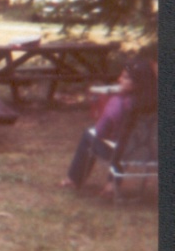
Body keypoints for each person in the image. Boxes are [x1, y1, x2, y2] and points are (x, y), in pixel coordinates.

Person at [60, 58, 157, 194]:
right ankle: (111, 184)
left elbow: (101, 132)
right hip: (151, 155)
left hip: (121, 154)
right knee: (125, 143)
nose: (119, 79)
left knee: (89, 135)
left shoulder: (118, 103)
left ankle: (74, 179)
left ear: (138, 83)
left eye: (125, 77)